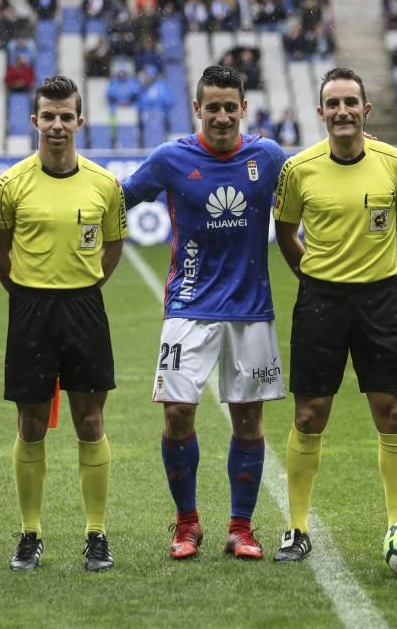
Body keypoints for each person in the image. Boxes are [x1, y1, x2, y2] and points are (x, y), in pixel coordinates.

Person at [123, 65, 288, 560]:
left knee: (247, 419)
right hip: (188, 305)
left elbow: (313, 196)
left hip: (251, 309)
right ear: (197, 109)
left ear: (243, 109)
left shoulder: (270, 157)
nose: (221, 116)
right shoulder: (171, 158)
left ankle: (241, 527)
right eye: (211, 107)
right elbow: (117, 200)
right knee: (176, 413)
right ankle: (187, 522)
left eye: (229, 107)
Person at [272, 67, 397, 562]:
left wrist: (379, 266)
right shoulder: (298, 169)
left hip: (381, 300)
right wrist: (316, 275)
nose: (342, 111)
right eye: (332, 104)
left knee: (393, 414)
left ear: (366, 109)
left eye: (350, 103)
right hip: (320, 301)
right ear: (320, 112)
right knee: (309, 414)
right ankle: (297, 528)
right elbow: (285, 232)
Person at [0, 75, 127, 573]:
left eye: (66, 116)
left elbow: (113, 246)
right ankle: (30, 533)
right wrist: (24, 292)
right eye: (49, 116)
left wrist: (83, 285)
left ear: (80, 120)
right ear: (34, 120)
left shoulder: (105, 185)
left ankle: (96, 534)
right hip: (31, 312)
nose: (58, 125)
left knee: (90, 422)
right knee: (31, 424)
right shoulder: (6, 187)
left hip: (85, 308)